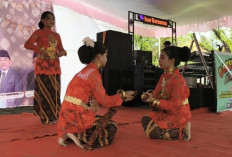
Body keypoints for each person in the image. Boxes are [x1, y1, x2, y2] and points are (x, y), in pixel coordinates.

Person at [57, 37, 135, 149]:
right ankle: (77, 133)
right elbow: (104, 101)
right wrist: (122, 95)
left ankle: (70, 131)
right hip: (77, 114)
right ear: (99, 56)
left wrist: (121, 98)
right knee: (112, 126)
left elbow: (98, 101)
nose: (107, 58)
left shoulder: (83, 71)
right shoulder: (94, 74)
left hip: (66, 114)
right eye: (106, 55)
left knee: (100, 120)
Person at [141, 46, 192, 141]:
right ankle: (173, 129)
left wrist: (156, 102)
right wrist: (149, 97)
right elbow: (156, 94)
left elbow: (174, 104)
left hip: (178, 113)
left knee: (153, 132)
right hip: (165, 111)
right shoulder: (164, 77)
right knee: (145, 120)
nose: (159, 60)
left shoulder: (178, 80)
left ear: (172, 60)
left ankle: (182, 128)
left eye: (162, 57)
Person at [24, 11, 67, 124]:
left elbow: (61, 49)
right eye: (48, 19)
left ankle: (55, 115)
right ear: (42, 20)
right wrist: (41, 50)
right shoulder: (38, 33)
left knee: (55, 92)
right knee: (44, 92)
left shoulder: (57, 35)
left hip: (55, 67)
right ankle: (45, 117)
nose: (51, 21)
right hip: (43, 68)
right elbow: (27, 44)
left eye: (53, 19)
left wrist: (62, 52)